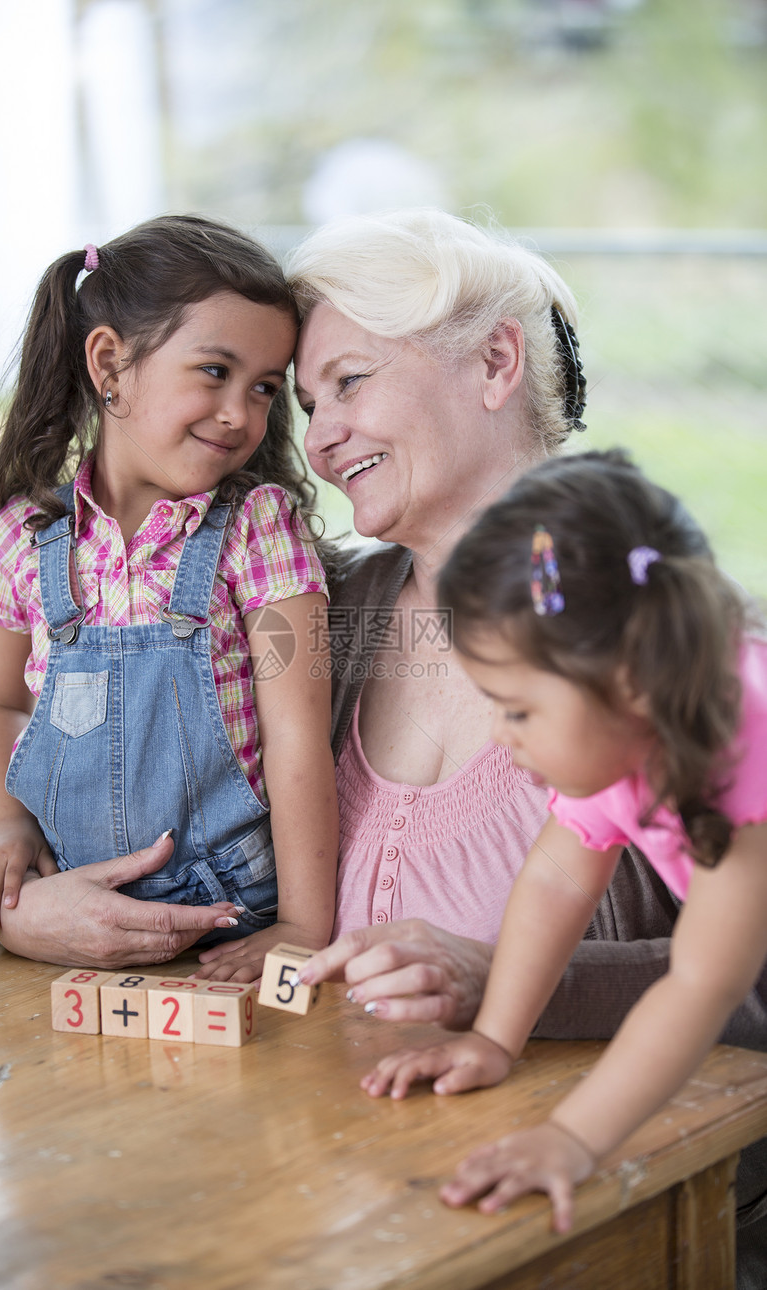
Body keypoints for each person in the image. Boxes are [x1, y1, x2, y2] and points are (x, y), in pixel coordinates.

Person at [273, 210, 766, 1285]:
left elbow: (742, 991)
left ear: (495, 360)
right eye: (306, 405)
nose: (315, 439)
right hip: (341, 1177)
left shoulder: (681, 664)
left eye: (348, 382)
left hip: (599, 1210)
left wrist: (502, 986)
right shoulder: (310, 611)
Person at [352, 449, 767, 1233]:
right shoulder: (621, 727)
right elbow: (555, 882)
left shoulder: (738, 763)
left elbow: (702, 986)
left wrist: (573, 1138)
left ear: (628, 682)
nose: (502, 740)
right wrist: (492, 1041)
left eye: (517, 710)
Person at [0, 214, 338, 981]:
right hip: (71, 905)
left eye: (265, 388)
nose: (241, 413)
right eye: (214, 372)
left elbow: (299, 740)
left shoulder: (259, 528)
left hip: (235, 914)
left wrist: (304, 923)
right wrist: (2, 824)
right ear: (111, 364)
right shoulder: (27, 537)